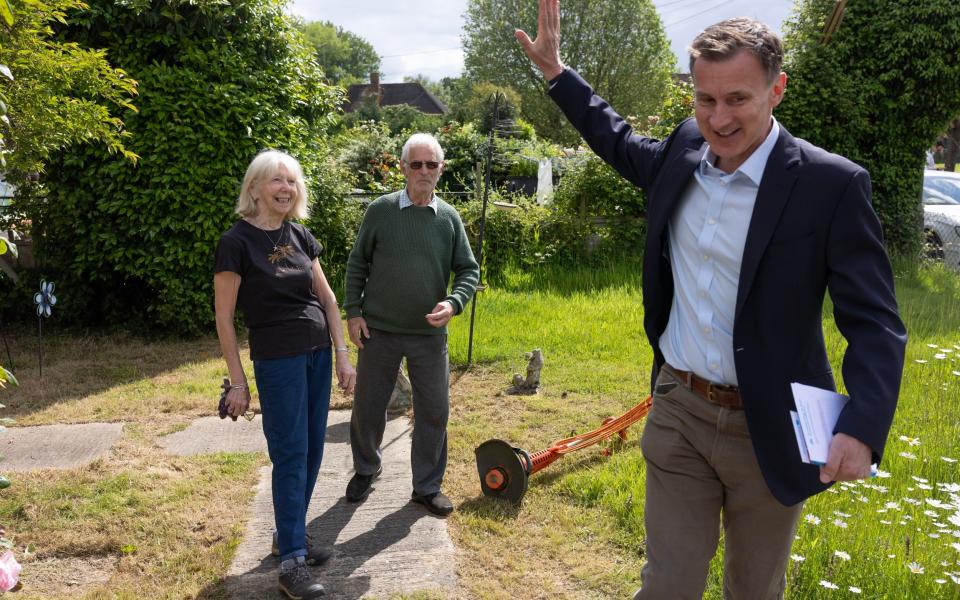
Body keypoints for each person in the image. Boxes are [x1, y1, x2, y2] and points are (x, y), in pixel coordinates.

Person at [516, 2, 906, 598]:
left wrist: (863, 423)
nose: (718, 119)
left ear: (776, 90)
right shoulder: (683, 151)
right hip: (680, 410)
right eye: (705, 100)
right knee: (668, 584)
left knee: (753, 588)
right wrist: (557, 74)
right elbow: (617, 140)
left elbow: (874, 319)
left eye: (737, 100)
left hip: (771, 423)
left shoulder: (830, 185)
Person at [214, 149, 356, 600]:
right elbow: (224, 317)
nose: (285, 189)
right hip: (278, 362)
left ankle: (288, 533)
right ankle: (291, 562)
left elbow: (328, 300)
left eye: (291, 182)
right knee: (291, 453)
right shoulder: (235, 242)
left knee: (313, 450)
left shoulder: (299, 235)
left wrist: (342, 355)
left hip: (316, 354)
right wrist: (238, 381)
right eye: (276, 181)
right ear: (254, 188)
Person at [344, 133, 479, 516]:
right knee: (368, 406)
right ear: (402, 167)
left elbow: (468, 270)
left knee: (435, 409)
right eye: (415, 164)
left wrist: (454, 303)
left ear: (441, 169)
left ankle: (426, 486)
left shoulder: (449, 218)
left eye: (430, 164)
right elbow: (357, 264)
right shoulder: (381, 211)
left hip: (429, 334)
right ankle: (366, 469)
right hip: (379, 330)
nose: (423, 171)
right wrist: (354, 311)